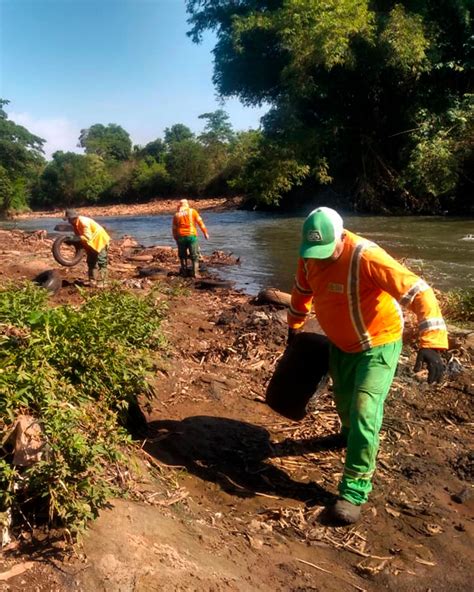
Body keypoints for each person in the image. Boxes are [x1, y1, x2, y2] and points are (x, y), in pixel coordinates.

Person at [287, 207, 448, 524]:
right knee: (345, 403)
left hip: (379, 344)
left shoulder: (365, 256)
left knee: (364, 409)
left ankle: (353, 492)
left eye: (324, 251)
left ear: (341, 237)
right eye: (312, 253)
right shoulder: (310, 256)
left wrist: (432, 342)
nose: (317, 259)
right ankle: (349, 436)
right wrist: (293, 327)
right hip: (340, 346)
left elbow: (419, 291)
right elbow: (301, 292)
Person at [63, 209, 110, 287]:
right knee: (91, 262)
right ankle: (92, 280)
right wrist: (72, 241)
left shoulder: (83, 222)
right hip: (91, 243)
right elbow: (80, 237)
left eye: (69, 219)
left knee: (102, 261)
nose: (68, 221)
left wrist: (74, 239)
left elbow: (87, 237)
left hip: (99, 240)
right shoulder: (75, 224)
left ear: (73, 218)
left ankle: (104, 282)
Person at [172, 199, 209, 278]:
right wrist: (205, 233)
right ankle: (195, 273)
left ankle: (184, 272)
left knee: (182, 255)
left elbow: (174, 229)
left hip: (180, 237)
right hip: (191, 236)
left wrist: (175, 238)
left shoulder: (176, 215)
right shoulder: (192, 211)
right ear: (187, 205)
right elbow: (200, 223)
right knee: (194, 255)